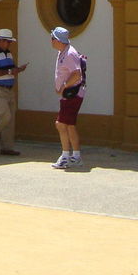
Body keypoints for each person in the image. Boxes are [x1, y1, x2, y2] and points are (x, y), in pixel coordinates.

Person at [0, 28, 26, 156]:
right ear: (0, 41)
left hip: (9, 90)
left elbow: (10, 69)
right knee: (5, 116)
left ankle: (7, 147)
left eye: (10, 42)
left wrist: (17, 70)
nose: (9, 44)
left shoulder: (9, 54)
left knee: (10, 119)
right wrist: (9, 72)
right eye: (7, 41)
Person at [49, 26, 85, 169]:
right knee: (69, 125)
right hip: (71, 94)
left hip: (72, 94)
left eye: (52, 38)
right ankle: (75, 157)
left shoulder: (69, 53)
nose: (51, 41)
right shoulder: (63, 52)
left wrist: (63, 86)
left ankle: (65, 156)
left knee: (61, 124)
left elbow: (77, 74)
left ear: (58, 40)